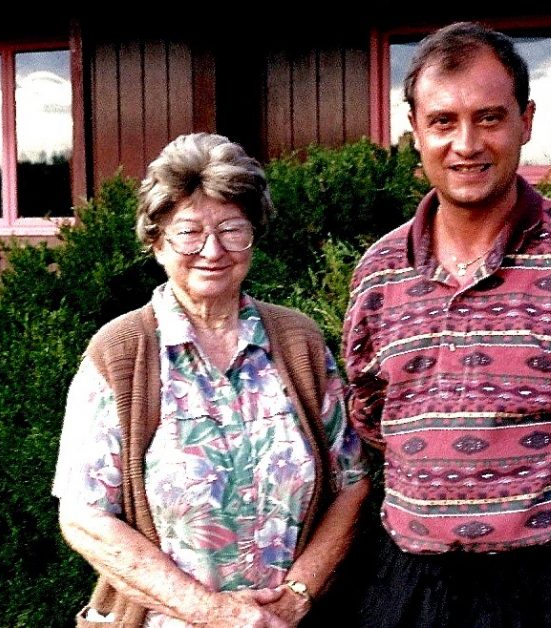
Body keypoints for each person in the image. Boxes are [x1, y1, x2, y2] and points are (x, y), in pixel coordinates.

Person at [341, 21, 551, 627]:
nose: (466, 143)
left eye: (489, 118)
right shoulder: (378, 273)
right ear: (414, 131)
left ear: (526, 121)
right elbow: (373, 424)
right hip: (414, 589)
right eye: (443, 121)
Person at [53, 132, 370, 628]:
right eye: (188, 231)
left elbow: (353, 484)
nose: (212, 250)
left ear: (253, 237)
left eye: (232, 229)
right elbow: (84, 517)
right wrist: (213, 613)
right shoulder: (121, 353)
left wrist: (298, 596)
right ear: (156, 242)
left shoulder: (299, 343)